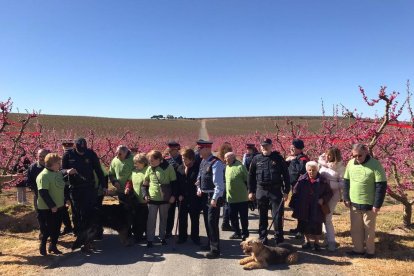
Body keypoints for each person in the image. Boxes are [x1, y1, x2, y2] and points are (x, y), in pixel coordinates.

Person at [343, 144, 387, 259]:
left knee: (369, 229)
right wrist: (346, 198)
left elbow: (381, 185)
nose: (357, 158)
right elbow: (346, 182)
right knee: (355, 228)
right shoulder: (350, 163)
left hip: (369, 204)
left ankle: (370, 252)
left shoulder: (375, 164)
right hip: (354, 203)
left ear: (366, 151)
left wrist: (377, 204)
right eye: (355, 155)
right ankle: (358, 250)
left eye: (360, 155)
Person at [62, 137, 106, 240]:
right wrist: (67, 171)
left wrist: (103, 185)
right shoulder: (68, 155)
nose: (82, 152)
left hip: (89, 187)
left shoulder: (91, 154)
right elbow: (61, 170)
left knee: (91, 211)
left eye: (84, 150)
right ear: (75, 147)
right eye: (80, 150)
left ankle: (92, 233)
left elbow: (99, 171)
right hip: (75, 188)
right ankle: (78, 233)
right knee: (76, 212)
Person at [248, 138, 290, 245]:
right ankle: (263, 237)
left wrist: (286, 191)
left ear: (271, 146)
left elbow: (286, 175)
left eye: (266, 145)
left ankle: (279, 238)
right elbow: (251, 176)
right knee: (262, 216)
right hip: (261, 190)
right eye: (262, 146)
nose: (264, 147)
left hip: (275, 191)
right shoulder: (256, 159)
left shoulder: (278, 158)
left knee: (277, 216)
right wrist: (251, 191)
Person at [36, 153, 74, 255]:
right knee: (48, 229)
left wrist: (66, 199)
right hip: (47, 208)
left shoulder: (57, 173)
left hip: (59, 206)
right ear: (52, 164)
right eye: (58, 163)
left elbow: (62, 187)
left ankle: (53, 246)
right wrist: (52, 205)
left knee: (56, 228)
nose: (60, 165)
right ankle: (42, 245)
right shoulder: (43, 176)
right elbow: (43, 193)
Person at [291, 161, 333, 251]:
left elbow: (329, 193)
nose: (311, 172)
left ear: (317, 170)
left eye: (313, 170)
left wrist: (323, 199)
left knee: (317, 225)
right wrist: (296, 201)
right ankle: (307, 242)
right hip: (304, 206)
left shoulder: (322, 180)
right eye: (309, 170)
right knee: (304, 224)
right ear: (307, 170)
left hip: (317, 207)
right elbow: (295, 191)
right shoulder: (302, 179)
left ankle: (317, 243)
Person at [195, 140, 225, 259]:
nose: (198, 151)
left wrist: (215, 198)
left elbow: (219, 184)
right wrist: (198, 187)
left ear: (207, 149)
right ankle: (209, 243)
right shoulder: (203, 161)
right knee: (208, 222)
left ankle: (215, 249)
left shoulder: (216, 163)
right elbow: (199, 177)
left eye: (200, 149)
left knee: (212, 223)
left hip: (212, 197)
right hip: (204, 196)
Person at [142, 150, 177, 248]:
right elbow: (144, 185)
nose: (150, 163)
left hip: (164, 199)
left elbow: (174, 183)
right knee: (151, 220)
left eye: (152, 160)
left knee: (163, 219)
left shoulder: (169, 168)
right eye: (149, 161)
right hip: (152, 199)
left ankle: (162, 237)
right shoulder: (149, 168)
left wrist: (173, 196)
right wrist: (145, 194)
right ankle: (150, 239)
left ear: (159, 159)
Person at [318, 147, 345, 251]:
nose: (327, 157)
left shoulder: (340, 167)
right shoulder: (323, 164)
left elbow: (343, 183)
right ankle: (326, 238)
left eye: (330, 155)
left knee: (327, 218)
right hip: (322, 193)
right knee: (322, 216)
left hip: (333, 195)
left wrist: (330, 184)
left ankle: (331, 242)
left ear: (335, 156)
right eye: (326, 154)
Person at [176, 148, 202, 244]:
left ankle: (195, 237)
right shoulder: (179, 168)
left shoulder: (197, 168)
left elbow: (199, 183)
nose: (183, 160)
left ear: (191, 159)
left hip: (194, 198)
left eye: (185, 158)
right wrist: (178, 194)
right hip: (182, 198)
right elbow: (177, 184)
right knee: (182, 219)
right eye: (182, 158)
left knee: (194, 219)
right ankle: (182, 237)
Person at [286, 138, 309, 238]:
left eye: (293, 147)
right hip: (294, 186)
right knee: (296, 208)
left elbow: (300, 171)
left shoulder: (303, 159)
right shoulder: (295, 157)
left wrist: (293, 160)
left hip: (301, 188)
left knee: (301, 209)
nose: (291, 148)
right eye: (291, 146)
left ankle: (302, 230)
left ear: (299, 148)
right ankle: (299, 228)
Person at [224, 152, 249, 241]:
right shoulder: (227, 167)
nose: (225, 160)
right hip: (230, 198)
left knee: (243, 217)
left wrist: (250, 192)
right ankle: (237, 232)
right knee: (232, 217)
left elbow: (247, 180)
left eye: (226, 158)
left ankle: (245, 233)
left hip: (241, 198)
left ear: (232, 158)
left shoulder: (240, 167)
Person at [125, 153, 149, 242]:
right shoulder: (134, 171)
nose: (135, 165)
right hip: (135, 200)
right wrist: (127, 187)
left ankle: (148, 235)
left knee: (144, 220)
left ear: (143, 162)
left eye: (137, 163)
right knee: (136, 219)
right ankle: (137, 236)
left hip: (145, 201)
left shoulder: (148, 170)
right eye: (135, 163)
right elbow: (130, 181)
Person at [165, 141, 182, 238]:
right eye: (169, 150)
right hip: (170, 190)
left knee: (182, 213)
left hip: (180, 189)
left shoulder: (182, 159)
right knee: (169, 213)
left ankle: (182, 233)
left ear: (177, 149)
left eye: (172, 150)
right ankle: (168, 231)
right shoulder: (166, 161)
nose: (170, 152)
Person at [217, 142, 233, 232]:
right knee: (227, 205)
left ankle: (220, 223)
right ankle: (225, 223)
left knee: (218, 204)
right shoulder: (228, 162)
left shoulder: (218, 161)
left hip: (219, 185)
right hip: (226, 185)